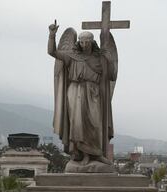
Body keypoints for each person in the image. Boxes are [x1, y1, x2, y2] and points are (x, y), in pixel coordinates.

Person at [48, 21, 116, 170]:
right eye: (82, 41)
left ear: (92, 42)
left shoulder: (100, 58)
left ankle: (97, 154)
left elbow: (111, 76)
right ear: (79, 42)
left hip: (94, 94)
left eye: (87, 42)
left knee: (95, 124)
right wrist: (52, 35)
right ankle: (83, 155)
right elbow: (52, 52)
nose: (84, 44)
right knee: (78, 124)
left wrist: (110, 60)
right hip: (75, 92)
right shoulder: (71, 56)